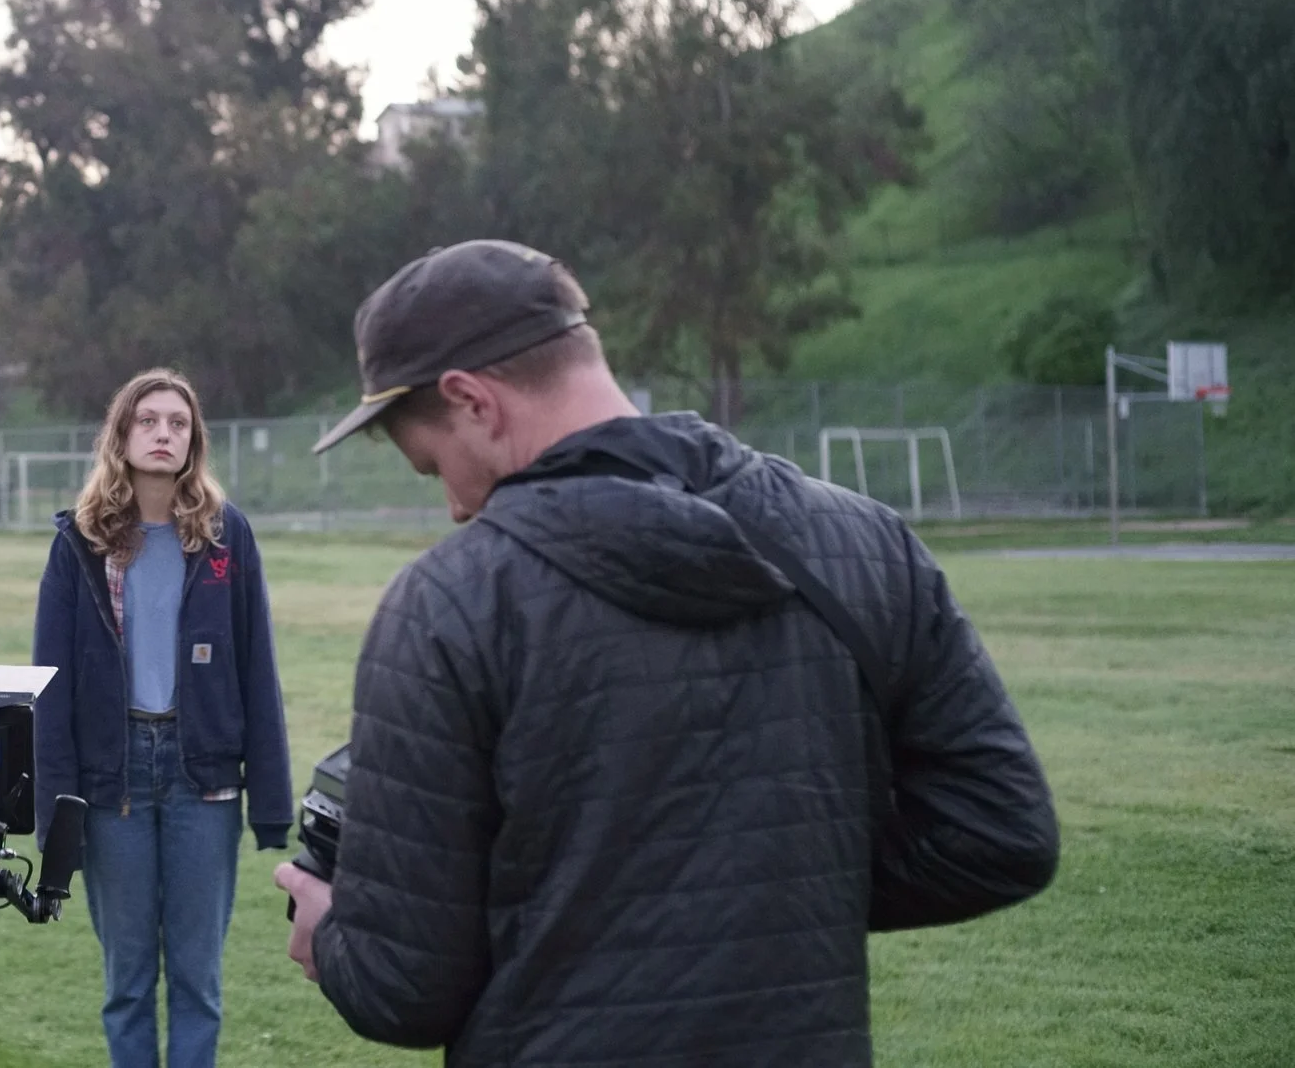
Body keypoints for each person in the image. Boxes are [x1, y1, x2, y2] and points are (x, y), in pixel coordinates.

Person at [273, 241, 1060, 1066]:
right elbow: (996, 832)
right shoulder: (864, 544)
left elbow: (408, 987)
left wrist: (332, 939)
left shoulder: (447, 606)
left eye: (434, 466)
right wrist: (765, 888)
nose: (455, 506)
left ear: (474, 401)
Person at [33, 367, 294, 1068]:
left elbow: (257, 670)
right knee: (126, 982)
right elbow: (50, 690)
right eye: (147, 420)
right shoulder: (79, 542)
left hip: (200, 779)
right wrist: (53, 814)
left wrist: (271, 805)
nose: (162, 433)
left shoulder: (226, 536)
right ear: (121, 435)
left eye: (177, 423)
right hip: (111, 781)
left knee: (197, 981)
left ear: (193, 441)